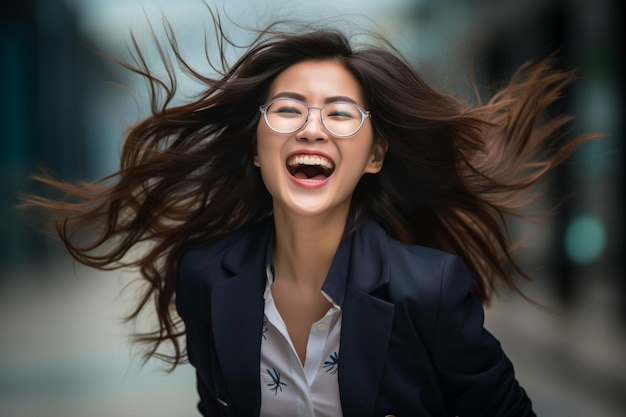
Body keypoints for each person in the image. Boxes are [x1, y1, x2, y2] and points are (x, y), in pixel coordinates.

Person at [22, 9, 598, 417]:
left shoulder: (429, 288)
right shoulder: (206, 276)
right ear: (255, 148)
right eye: (289, 109)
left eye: (341, 114)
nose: (312, 127)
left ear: (374, 157)